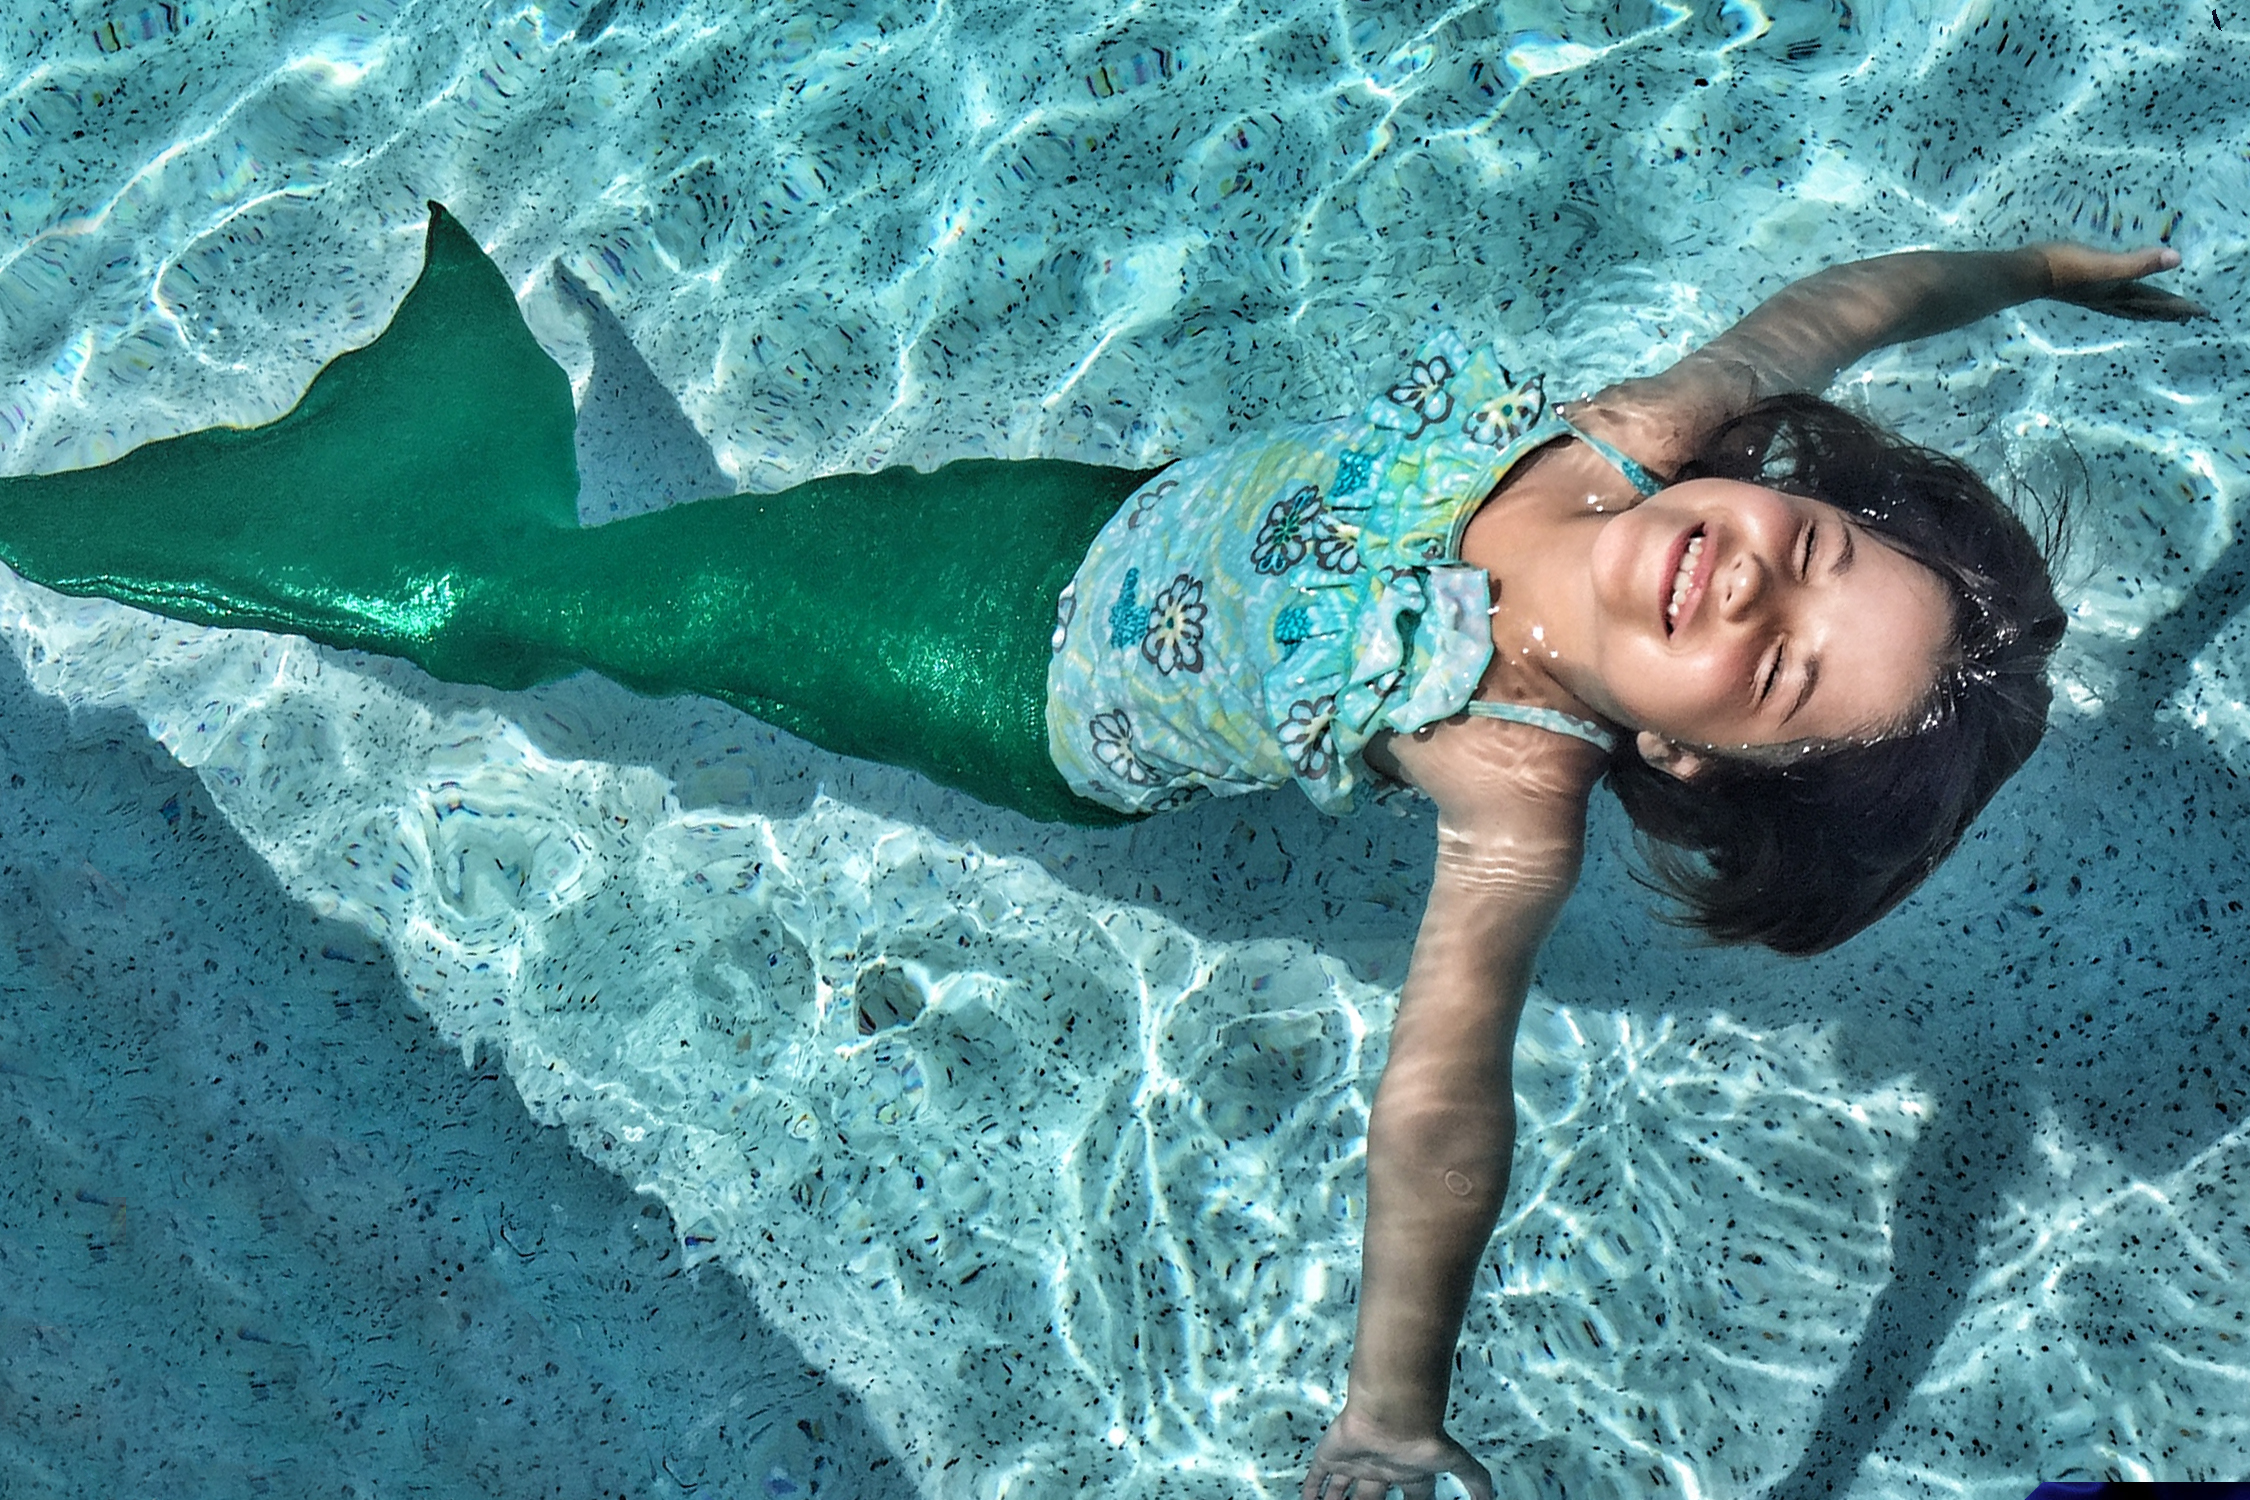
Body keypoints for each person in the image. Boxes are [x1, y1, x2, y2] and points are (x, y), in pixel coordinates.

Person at [0, 205, 2200, 1497]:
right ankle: (482, 499)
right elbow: (1836, 307)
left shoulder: (1507, 768)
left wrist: (1389, 1410)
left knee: (610, 609)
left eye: (1779, 670)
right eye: (1808, 549)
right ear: (1788, 492)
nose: (1751, 587)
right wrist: (2033, 269)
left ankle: (409, 551)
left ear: (1694, 765)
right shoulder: (1634, 441)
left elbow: (1445, 1102)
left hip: (987, 692)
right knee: (733, 552)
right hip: (1053, 517)